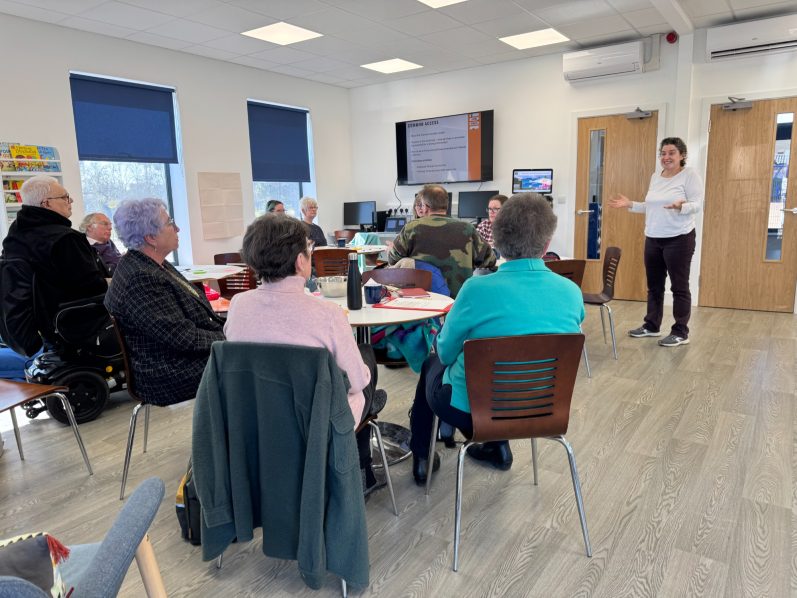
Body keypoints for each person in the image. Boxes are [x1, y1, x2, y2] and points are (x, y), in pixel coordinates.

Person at [408, 193, 585, 483]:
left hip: (473, 411)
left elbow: (446, 352)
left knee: (432, 364)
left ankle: (422, 457)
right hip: (544, 408)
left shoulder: (475, 290)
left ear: (497, 241)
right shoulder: (571, 292)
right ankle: (496, 447)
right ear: (547, 244)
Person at [224, 214, 388, 496]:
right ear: (301, 261)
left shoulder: (238, 305)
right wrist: (366, 374)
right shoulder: (328, 314)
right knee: (363, 372)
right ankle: (362, 468)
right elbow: (356, 382)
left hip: (258, 418)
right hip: (317, 423)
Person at [104, 198, 224, 406]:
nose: (177, 228)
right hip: (169, 372)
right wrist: (231, 337)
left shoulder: (150, 264)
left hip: (178, 358)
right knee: (261, 362)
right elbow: (183, 338)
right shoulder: (141, 278)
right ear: (151, 237)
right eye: (170, 223)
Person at [609, 137, 703, 347]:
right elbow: (652, 206)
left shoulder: (689, 175)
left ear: (682, 156)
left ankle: (680, 331)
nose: (666, 157)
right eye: (663, 153)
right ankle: (652, 325)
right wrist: (630, 204)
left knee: (679, 287)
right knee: (654, 286)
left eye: (671, 153)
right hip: (653, 237)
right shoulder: (656, 176)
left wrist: (682, 206)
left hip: (679, 237)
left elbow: (697, 205)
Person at [0, 175, 107, 354]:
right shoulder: (65, 239)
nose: (70, 200)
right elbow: (93, 287)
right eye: (65, 197)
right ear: (46, 203)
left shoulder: (13, 238)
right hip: (69, 336)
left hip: (25, 333)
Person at [388, 184, 496, 297]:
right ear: (446, 205)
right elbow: (490, 260)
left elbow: (393, 261)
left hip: (424, 303)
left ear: (425, 206)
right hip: (458, 302)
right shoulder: (467, 228)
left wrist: (391, 250)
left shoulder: (411, 228)